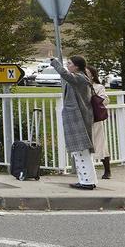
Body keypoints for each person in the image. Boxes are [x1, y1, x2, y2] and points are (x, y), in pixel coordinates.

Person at [51, 55, 98, 190]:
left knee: (81, 150)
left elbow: (65, 75)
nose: (67, 65)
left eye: (70, 63)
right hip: (79, 116)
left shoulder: (79, 78)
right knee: (82, 151)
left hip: (78, 117)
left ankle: (86, 182)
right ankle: (88, 180)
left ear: (76, 66)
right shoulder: (82, 78)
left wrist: (54, 62)